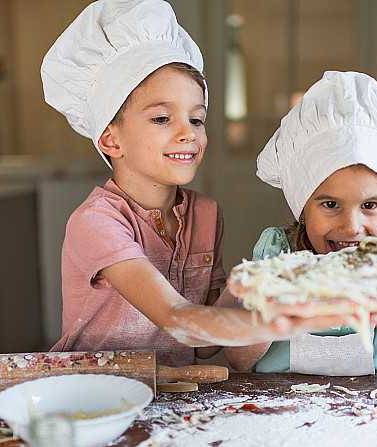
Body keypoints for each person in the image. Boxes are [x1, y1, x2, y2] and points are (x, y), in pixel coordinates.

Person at [41, 0, 349, 367]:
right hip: (93, 397)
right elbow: (178, 319)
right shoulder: (96, 223)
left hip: (172, 396)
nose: (188, 133)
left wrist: (253, 283)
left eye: (197, 119)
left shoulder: (205, 214)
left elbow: (200, 347)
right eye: (161, 118)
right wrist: (296, 319)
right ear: (111, 140)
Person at [225, 71, 377, 374]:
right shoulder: (277, 255)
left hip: (374, 409)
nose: (352, 226)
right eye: (331, 205)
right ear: (302, 208)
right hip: (279, 409)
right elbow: (239, 361)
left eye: (370, 205)